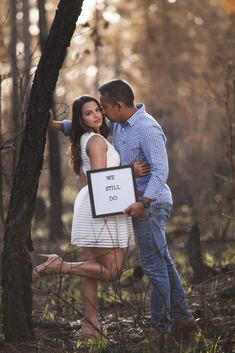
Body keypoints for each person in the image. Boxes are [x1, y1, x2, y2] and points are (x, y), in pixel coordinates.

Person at [61, 80, 197, 348]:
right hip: (137, 204)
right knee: (164, 262)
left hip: (151, 204)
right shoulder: (122, 125)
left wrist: (144, 202)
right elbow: (86, 125)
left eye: (104, 107)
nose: (102, 112)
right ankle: (183, 319)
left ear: (118, 106)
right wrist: (58, 126)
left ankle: (160, 329)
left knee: (154, 265)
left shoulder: (146, 128)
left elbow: (160, 170)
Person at [32, 95, 149, 339]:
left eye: (97, 110)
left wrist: (55, 125)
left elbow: (96, 174)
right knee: (111, 271)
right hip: (103, 206)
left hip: (95, 204)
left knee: (90, 271)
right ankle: (57, 266)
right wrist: (131, 170)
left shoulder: (88, 137)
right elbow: (101, 178)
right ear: (81, 119)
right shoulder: (96, 140)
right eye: (88, 113)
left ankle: (90, 326)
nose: (96, 115)